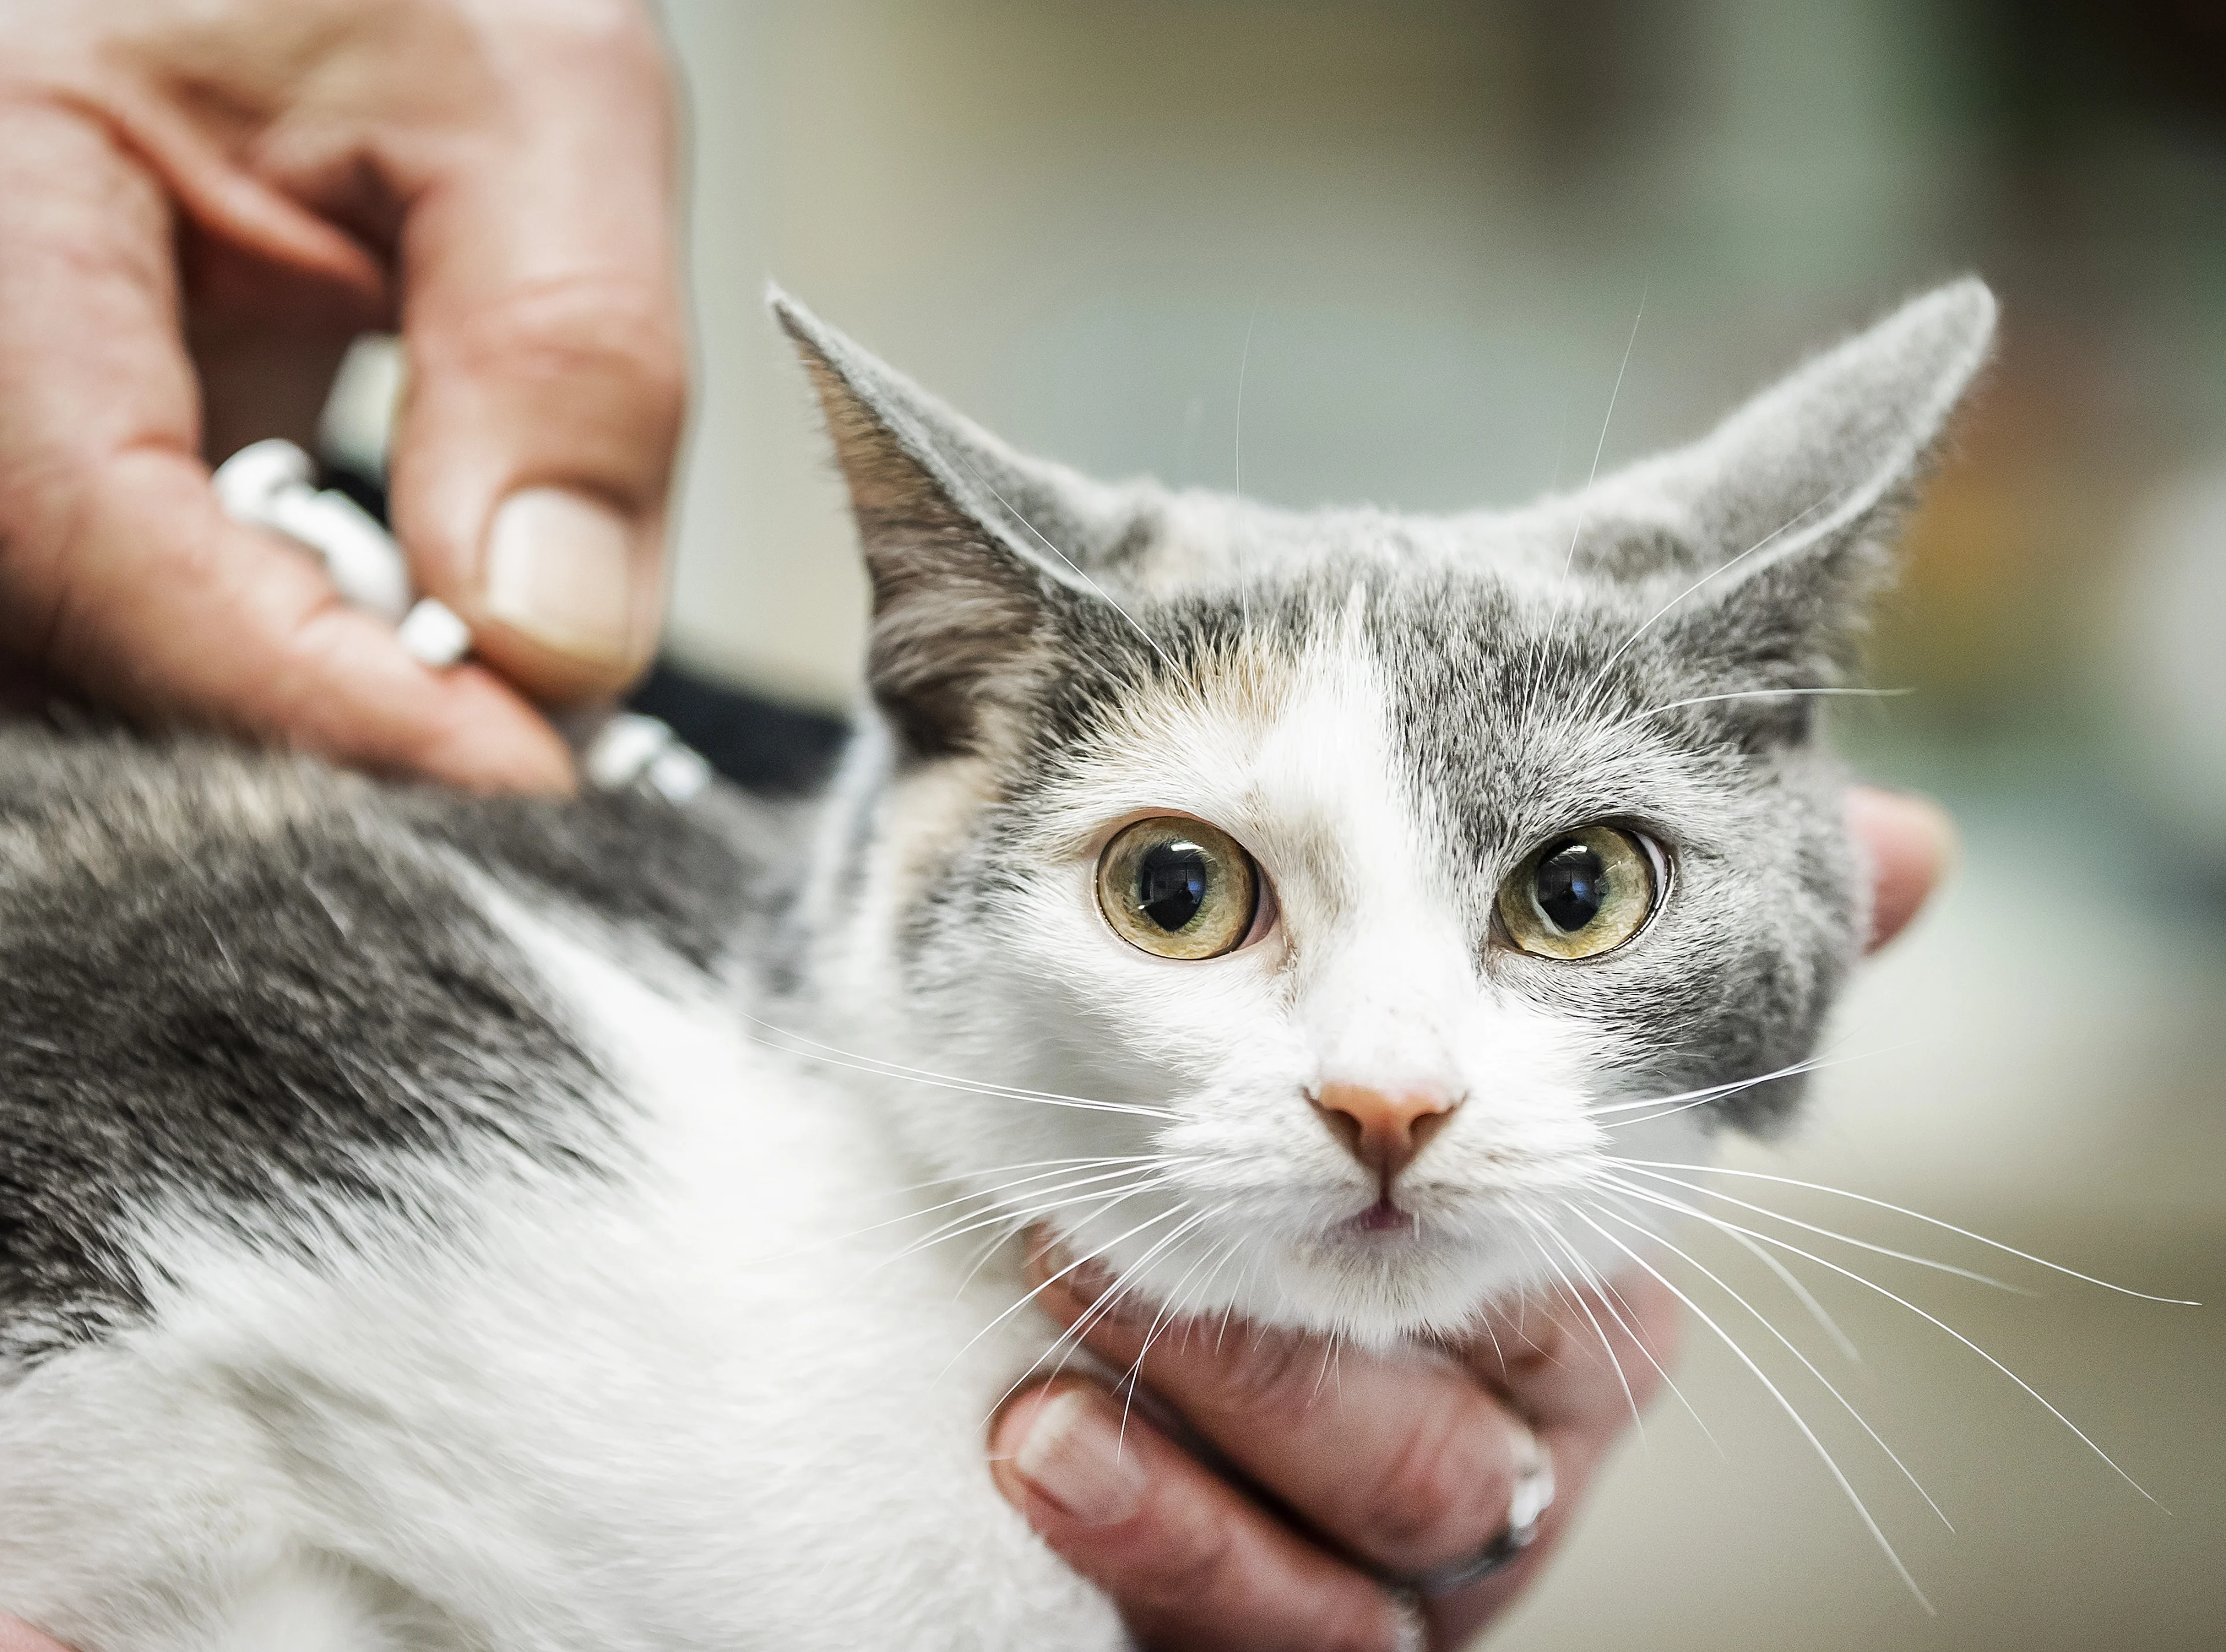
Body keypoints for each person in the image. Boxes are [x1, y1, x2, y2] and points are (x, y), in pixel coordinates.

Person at [0, 5, 1954, 1648]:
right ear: (946, 728)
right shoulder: (644, 1223)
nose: (1390, 1084)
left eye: (1574, 887)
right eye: (1179, 891)